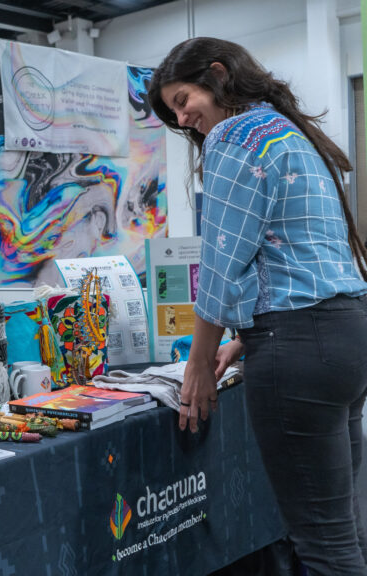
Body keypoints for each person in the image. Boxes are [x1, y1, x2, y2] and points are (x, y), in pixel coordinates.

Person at [149, 37, 367, 574]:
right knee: (346, 530)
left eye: (183, 101)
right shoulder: (290, 132)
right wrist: (243, 340)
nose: (183, 119)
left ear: (218, 74)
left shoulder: (235, 134)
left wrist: (199, 363)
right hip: (348, 334)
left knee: (323, 545)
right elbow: (305, 255)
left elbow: (220, 263)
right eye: (174, 112)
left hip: (298, 349)